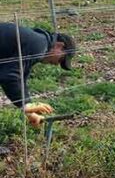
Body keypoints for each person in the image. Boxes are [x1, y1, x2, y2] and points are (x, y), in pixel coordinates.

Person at [0, 23, 76, 155]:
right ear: (59, 46)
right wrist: (26, 104)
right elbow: (10, 76)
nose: (57, 64)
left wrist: (29, 111)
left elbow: (20, 77)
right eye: (62, 59)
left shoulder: (37, 42)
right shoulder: (39, 45)